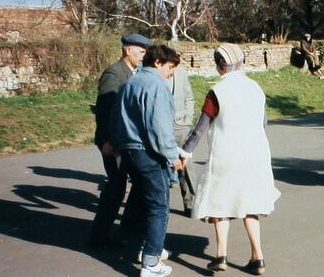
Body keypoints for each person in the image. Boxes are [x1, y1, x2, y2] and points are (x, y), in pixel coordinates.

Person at [181, 43, 280, 275]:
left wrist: (185, 152)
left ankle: (221, 255)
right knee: (251, 204)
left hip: (227, 154)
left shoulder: (217, 91)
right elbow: (263, 121)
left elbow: (200, 128)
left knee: (219, 203)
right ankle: (258, 257)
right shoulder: (255, 88)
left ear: (220, 66)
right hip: (255, 154)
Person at [112, 44, 185, 277]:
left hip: (129, 151)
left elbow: (116, 119)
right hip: (148, 153)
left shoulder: (129, 83)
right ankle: (151, 262)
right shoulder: (156, 85)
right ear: (157, 62)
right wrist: (173, 156)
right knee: (159, 206)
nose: (171, 73)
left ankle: (145, 247)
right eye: (170, 67)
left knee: (144, 200)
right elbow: (160, 128)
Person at [89, 33, 151, 249]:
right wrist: (106, 141)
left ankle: (126, 230)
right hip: (112, 143)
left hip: (124, 141)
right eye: (141, 52)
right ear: (128, 50)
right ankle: (99, 237)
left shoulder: (134, 72)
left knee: (134, 184)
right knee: (116, 188)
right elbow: (105, 111)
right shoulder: (114, 74)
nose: (144, 56)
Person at [166, 64, 195, 216]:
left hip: (181, 125)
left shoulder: (181, 72)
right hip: (162, 126)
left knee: (187, 166)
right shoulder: (152, 73)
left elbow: (189, 97)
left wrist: (188, 120)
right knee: (161, 166)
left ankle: (191, 204)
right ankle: (160, 206)